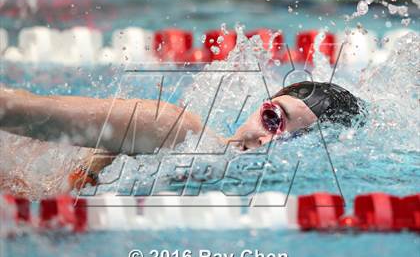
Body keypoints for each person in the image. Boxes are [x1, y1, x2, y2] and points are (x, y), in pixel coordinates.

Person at [0, 81, 365, 190]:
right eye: (272, 119)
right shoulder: (174, 129)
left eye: (296, 141)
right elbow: (13, 109)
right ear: (259, 107)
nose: (266, 141)